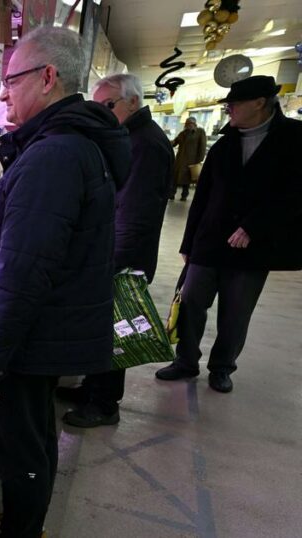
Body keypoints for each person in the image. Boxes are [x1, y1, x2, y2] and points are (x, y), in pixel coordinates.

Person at [0, 27, 130, 537]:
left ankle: (23, 531)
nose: (3, 92)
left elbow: (24, 272)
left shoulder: (54, 155)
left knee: (22, 454)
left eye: (11, 80)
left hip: (26, 345)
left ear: (48, 78)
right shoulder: (69, 145)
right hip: (44, 335)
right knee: (35, 441)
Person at [156, 76, 302, 393]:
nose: (229, 110)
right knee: (192, 298)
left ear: (260, 103)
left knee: (235, 312)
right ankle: (185, 360)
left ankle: (222, 367)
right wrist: (188, 241)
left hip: (254, 245)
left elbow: (293, 194)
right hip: (210, 239)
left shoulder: (293, 139)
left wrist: (253, 226)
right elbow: (205, 195)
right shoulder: (225, 143)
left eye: (234, 104)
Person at [60, 73, 174, 428]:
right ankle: (94, 390)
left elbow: (135, 214)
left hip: (124, 256)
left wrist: (111, 262)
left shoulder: (145, 144)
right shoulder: (130, 137)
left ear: (133, 102)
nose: (102, 113)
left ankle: (105, 404)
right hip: (117, 250)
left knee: (115, 328)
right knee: (102, 325)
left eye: (108, 106)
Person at [171, 117, 207, 201]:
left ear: (194, 124)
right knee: (175, 178)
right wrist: (168, 142)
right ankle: (171, 194)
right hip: (180, 160)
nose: (188, 125)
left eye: (190, 123)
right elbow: (174, 143)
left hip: (191, 160)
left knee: (186, 180)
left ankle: (184, 195)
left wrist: (199, 159)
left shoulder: (200, 132)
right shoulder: (182, 133)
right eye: (187, 124)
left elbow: (202, 146)